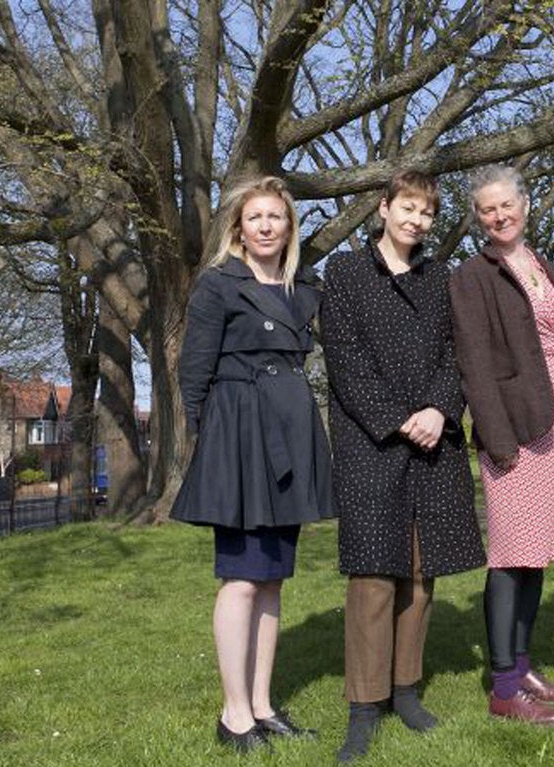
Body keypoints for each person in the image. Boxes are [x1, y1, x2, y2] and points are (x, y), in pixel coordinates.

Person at [319, 170, 485, 761]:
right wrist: (397, 418)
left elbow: (456, 354)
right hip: (372, 440)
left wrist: (440, 410)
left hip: (433, 439)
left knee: (421, 570)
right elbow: (345, 359)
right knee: (372, 572)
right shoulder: (344, 273)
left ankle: (405, 690)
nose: (416, 221)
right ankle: (364, 705)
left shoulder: (441, 278)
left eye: (426, 213)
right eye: (407, 208)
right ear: (383, 209)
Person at [172, 175, 333, 754]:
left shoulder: (303, 288)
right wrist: (211, 439)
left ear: (290, 225)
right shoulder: (218, 285)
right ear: (238, 227)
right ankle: (233, 713)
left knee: (271, 579)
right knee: (240, 578)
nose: (266, 226)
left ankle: (263, 704)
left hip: (291, 428)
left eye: (276, 217)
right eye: (255, 217)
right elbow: (194, 372)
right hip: (237, 433)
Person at [450, 164, 554, 727]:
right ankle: (504, 686)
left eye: (507, 204)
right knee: (511, 555)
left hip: (553, 424)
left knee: (536, 556)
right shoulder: (472, 276)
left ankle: (524, 667)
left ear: (525, 205)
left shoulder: (540, 265)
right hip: (513, 427)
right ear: (478, 218)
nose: (500, 215)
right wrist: (496, 436)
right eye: (488, 209)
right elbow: (474, 364)